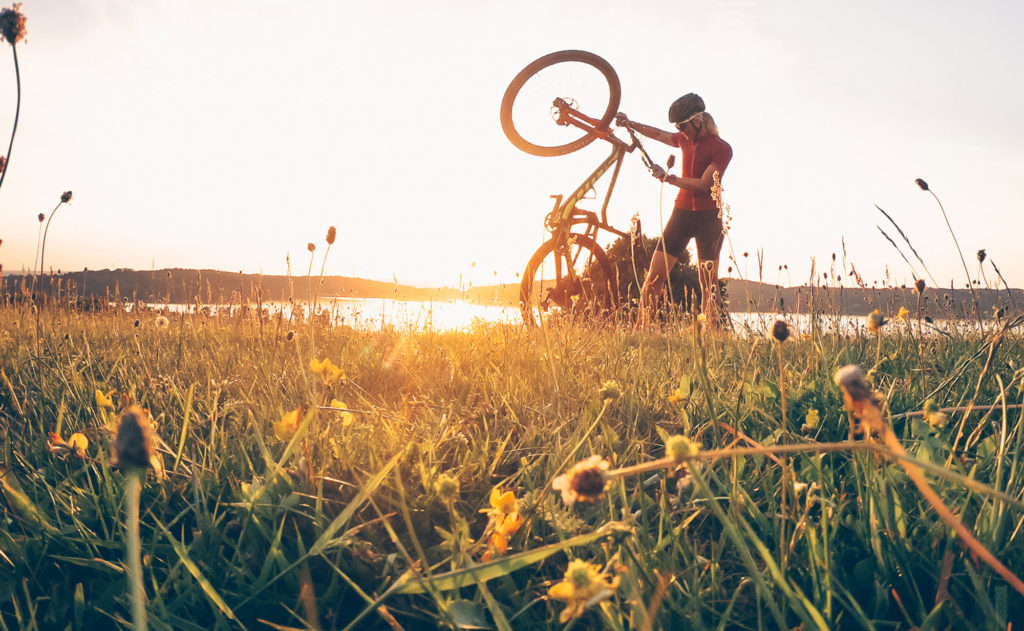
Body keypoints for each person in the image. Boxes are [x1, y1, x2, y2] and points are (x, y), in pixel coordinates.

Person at [616, 93, 732, 328]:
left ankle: (714, 336)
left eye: (683, 125)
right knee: (654, 277)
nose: (680, 130)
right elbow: (659, 134)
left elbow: (704, 184)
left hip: (709, 218)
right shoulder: (684, 139)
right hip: (681, 214)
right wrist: (630, 124)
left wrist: (669, 179)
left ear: (698, 120)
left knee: (708, 283)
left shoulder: (722, 149)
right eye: (677, 127)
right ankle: (641, 331)